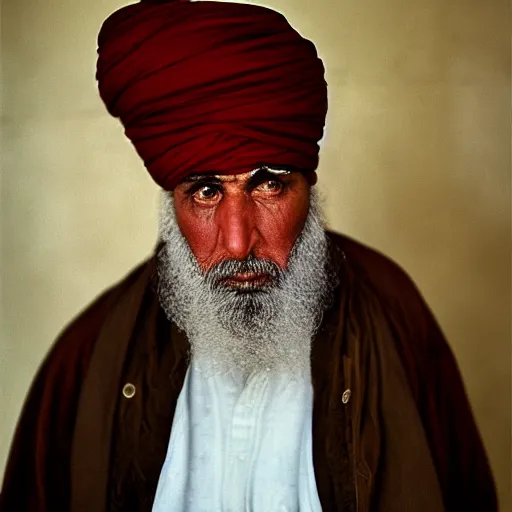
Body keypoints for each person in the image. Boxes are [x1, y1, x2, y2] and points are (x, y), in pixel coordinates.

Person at [0, 0, 497, 511]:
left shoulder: (393, 316)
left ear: (309, 187)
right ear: (173, 204)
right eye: (206, 192)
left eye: (268, 185)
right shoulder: (91, 356)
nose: (238, 243)